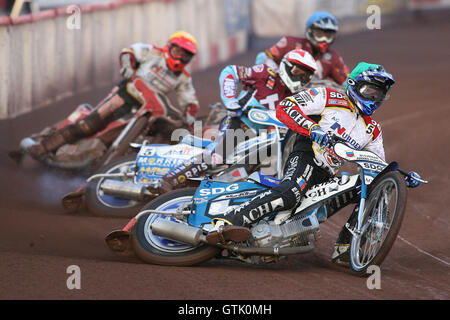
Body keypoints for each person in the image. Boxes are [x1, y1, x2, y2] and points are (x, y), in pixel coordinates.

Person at [204, 62, 422, 266]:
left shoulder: (373, 129)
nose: (374, 98)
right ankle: (226, 222)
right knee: (290, 194)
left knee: (373, 186)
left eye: (379, 94)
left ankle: (346, 247)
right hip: (305, 153)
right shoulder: (329, 96)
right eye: (369, 92)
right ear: (354, 85)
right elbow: (286, 107)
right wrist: (313, 129)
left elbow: (376, 166)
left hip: (326, 173)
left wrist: (399, 176)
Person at [155, 49, 318, 193]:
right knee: (218, 155)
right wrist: (230, 100)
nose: (300, 78)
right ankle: (169, 179)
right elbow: (230, 71)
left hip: (265, 137)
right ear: (286, 66)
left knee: (261, 170)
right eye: (298, 71)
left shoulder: (297, 98)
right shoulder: (266, 73)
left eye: (305, 75)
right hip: (239, 123)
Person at [26, 31, 200, 160]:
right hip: (125, 94)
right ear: (169, 47)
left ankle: (92, 160)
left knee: (112, 136)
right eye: (178, 52)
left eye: (186, 56)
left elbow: (190, 101)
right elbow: (128, 52)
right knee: (87, 125)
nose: (180, 58)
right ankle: (42, 147)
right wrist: (128, 67)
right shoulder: (153, 52)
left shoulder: (184, 77)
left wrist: (189, 117)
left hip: (144, 110)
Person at [255, 11, 349, 88]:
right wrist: (278, 74)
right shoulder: (289, 42)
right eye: (319, 35)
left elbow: (346, 82)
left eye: (328, 36)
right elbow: (262, 58)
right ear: (310, 32)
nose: (324, 40)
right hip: (279, 91)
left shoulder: (333, 58)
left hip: (309, 101)